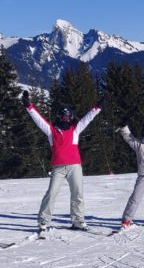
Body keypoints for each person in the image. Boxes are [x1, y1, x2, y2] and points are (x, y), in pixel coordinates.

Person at [24, 91, 100, 233]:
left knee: (78, 193)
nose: (66, 119)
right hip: (58, 167)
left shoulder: (75, 129)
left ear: (71, 117)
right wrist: (29, 106)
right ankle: (43, 221)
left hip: (74, 166)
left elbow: (87, 119)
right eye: (63, 116)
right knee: (52, 193)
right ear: (59, 117)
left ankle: (78, 220)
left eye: (68, 116)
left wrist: (98, 107)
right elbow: (38, 119)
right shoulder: (51, 131)